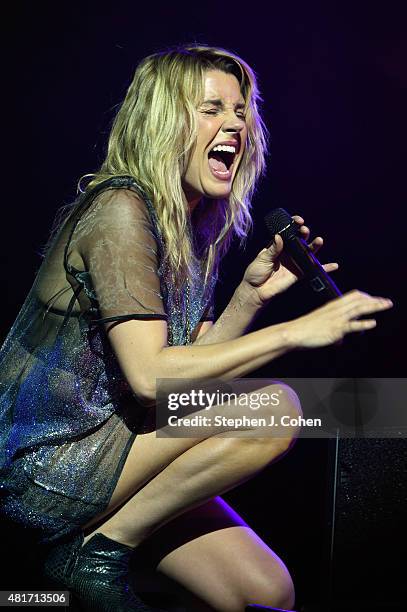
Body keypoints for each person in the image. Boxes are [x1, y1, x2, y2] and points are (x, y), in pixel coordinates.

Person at [0, 44, 393, 612]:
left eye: (240, 111)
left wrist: (247, 300)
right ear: (163, 121)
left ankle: (100, 546)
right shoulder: (118, 210)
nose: (234, 123)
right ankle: (101, 551)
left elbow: (185, 381)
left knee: (264, 591)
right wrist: (295, 332)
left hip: (118, 450)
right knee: (278, 409)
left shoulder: (194, 230)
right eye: (211, 109)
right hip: (47, 464)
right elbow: (150, 378)